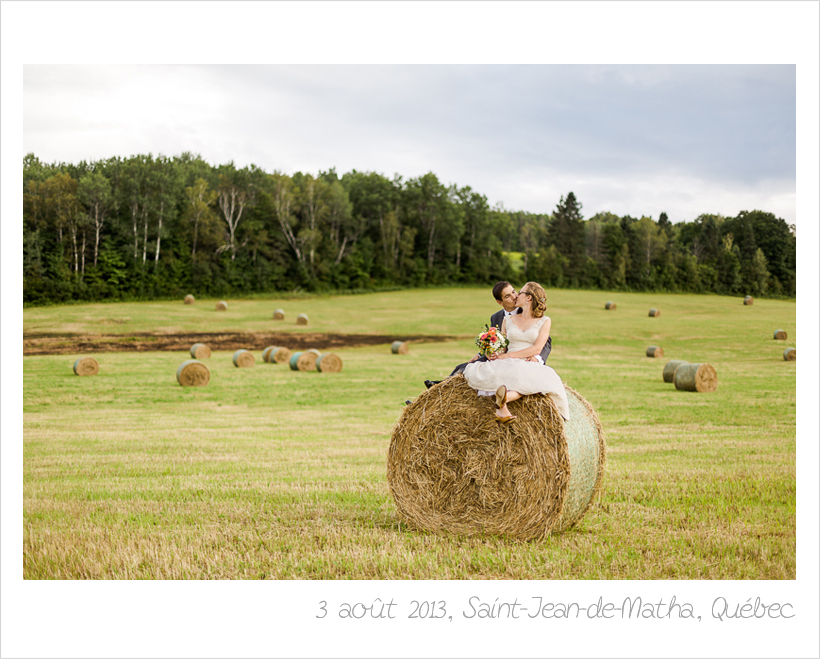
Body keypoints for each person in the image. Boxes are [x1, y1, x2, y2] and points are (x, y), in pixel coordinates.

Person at [463, 282, 570, 423]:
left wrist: (507, 356)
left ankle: (503, 398)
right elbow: (502, 346)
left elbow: (537, 348)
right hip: (508, 361)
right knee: (513, 376)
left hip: (527, 361)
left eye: (519, 292)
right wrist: (492, 353)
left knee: (526, 376)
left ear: (529, 298)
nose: (516, 295)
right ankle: (503, 402)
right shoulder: (507, 320)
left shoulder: (544, 321)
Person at [423, 281, 552, 389]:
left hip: (522, 360)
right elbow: (496, 342)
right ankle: (438, 390)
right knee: (465, 367)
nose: (514, 296)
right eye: (508, 296)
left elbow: (545, 342)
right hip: (500, 357)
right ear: (500, 302)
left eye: (514, 291)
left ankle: (440, 387)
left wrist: (539, 359)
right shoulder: (497, 318)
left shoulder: (529, 312)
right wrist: (483, 352)